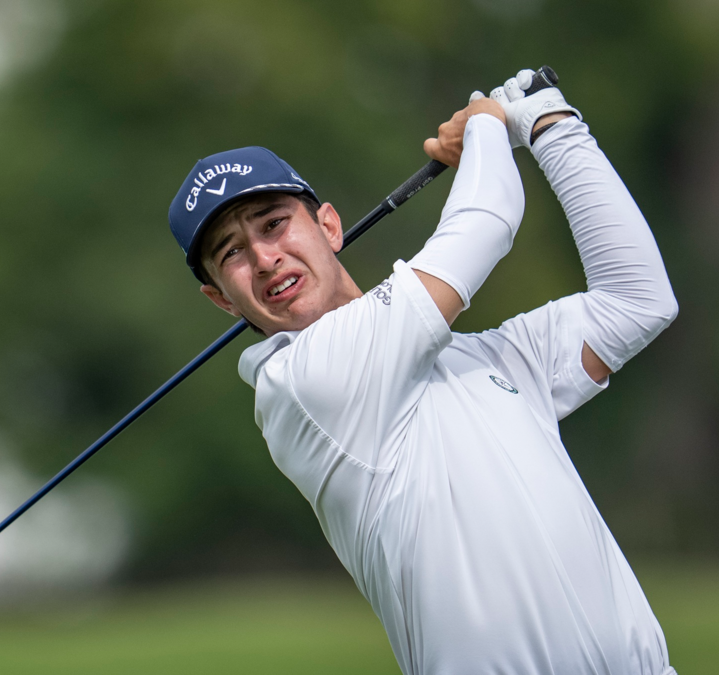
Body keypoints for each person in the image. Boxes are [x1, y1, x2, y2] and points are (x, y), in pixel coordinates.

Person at [166, 69, 679, 674]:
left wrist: (551, 124)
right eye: (231, 252)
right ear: (223, 300)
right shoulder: (302, 383)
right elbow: (486, 220)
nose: (264, 257)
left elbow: (638, 300)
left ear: (328, 226)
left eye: (273, 223)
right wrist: (490, 121)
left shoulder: (482, 361)